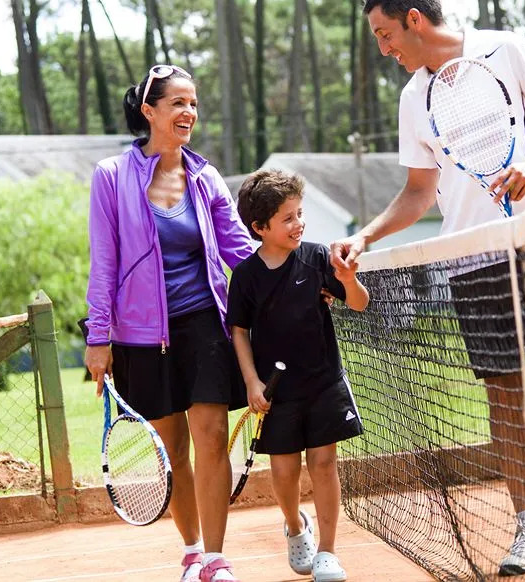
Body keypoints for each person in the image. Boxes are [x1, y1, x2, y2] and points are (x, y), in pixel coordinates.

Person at [329, 0, 525, 576]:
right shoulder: (414, 99)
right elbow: (418, 191)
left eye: (384, 34)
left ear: (414, 19)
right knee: (501, 393)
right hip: (471, 258)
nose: (383, 48)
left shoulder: (506, 48)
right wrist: (367, 236)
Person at [83, 64, 254, 582]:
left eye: (193, 103)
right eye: (178, 102)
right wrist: (98, 338)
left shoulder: (205, 177)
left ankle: (217, 561)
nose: (189, 112)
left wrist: (294, 278)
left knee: (212, 436)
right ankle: (193, 551)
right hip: (140, 337)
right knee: (174, 450)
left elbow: (240, 252)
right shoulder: (111, 176)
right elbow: (104, 262)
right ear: (149, 111)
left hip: (204, 323)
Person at [226, 170, 370, 582]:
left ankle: (328, 551)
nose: (298, 224)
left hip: (324, 382)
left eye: (300, 214)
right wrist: (251, 382)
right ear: (260, 227)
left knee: (324, 464)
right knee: (285, 472)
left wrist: (348, 280)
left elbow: (359, 303)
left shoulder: (319, 257)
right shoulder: (246, 276)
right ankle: (294, 526)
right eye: (287, 218)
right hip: (277, 395)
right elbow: (239, 331)